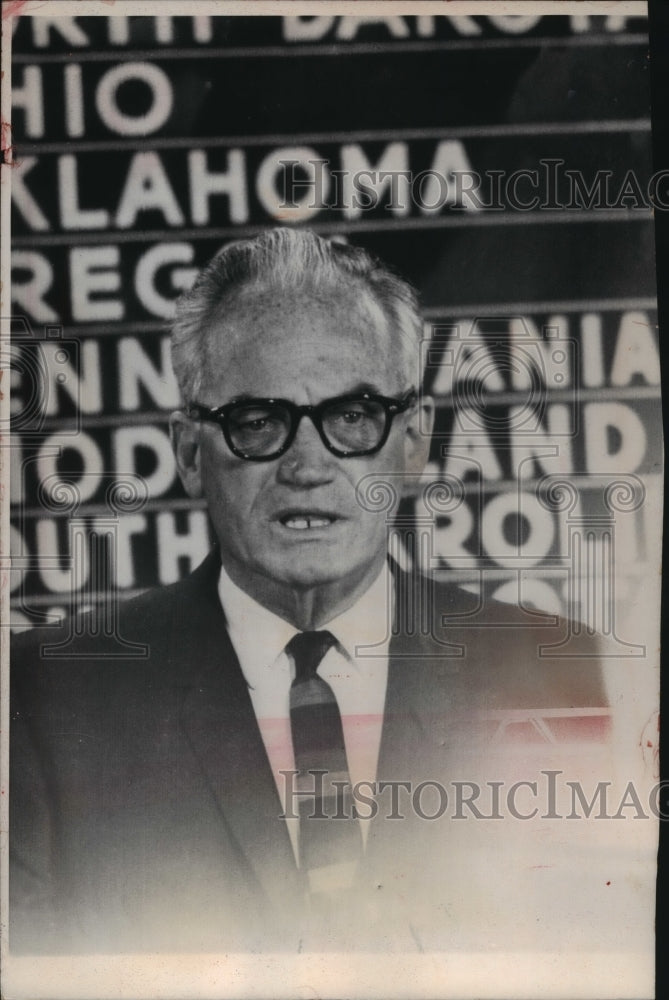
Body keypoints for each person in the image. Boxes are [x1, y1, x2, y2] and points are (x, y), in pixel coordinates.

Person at [10, 228, 610, 955]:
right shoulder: (40, 700)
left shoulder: (557, 675)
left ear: (413, 443)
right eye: (256, 421)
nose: (307, 465)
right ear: (189, 454)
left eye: (351, 417)